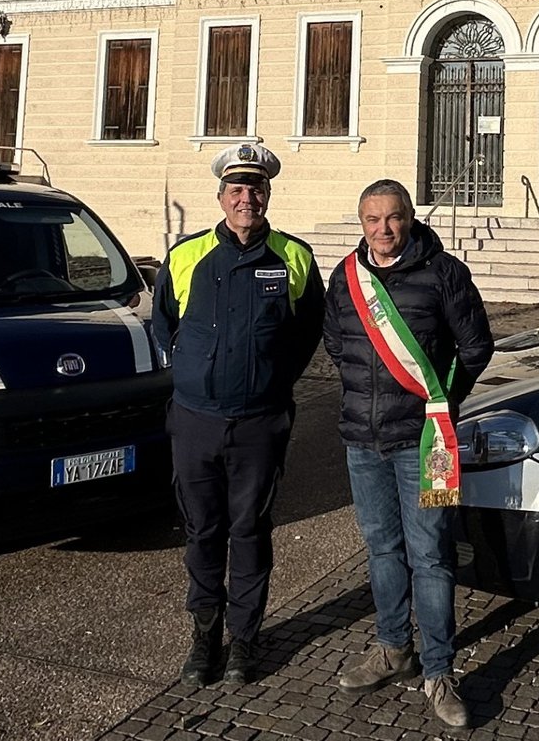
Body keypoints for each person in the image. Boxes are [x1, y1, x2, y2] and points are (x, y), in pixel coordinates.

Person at [151, 141, 325, 689]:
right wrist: (198, 373)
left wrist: (269, 379)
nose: (246, 198)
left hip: (259, 422)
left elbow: (305, 334)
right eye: (236, 189)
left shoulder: (294, 257)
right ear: (221, 197)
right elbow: (165, 326)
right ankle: (205, 637)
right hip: (196, 421)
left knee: (250, 530)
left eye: (255, 188)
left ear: (268, 194)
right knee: (203, 531)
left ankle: (245, 640)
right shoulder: (186, 254)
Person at [324, 178, 493, 731]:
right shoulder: (346, 279)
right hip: (362, 442)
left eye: (393, 218)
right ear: (362, 223)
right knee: (381, 550)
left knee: (432, 554)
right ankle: (393, 647)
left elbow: (476, 345)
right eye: (372, 220)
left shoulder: (444, 273)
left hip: (427, 442)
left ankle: (439, 670)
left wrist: (443, 402)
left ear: (411, 217)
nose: (383, 229)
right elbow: (336, 343)